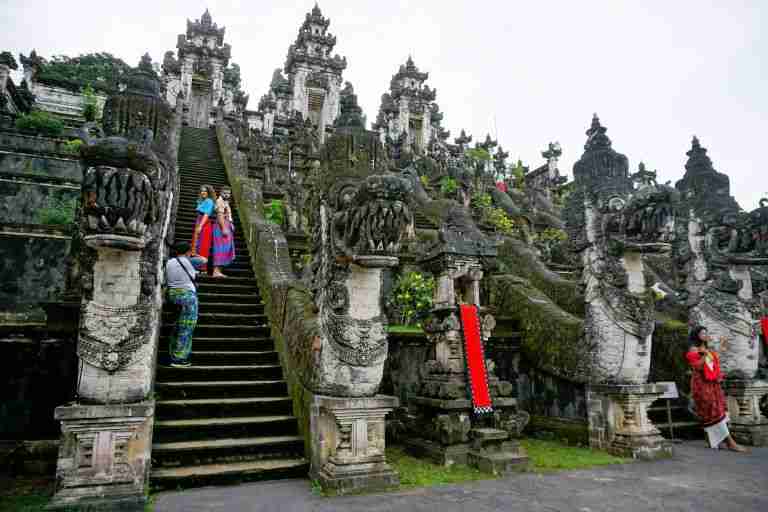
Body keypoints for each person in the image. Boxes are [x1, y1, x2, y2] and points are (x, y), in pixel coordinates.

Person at [685, 326, 746, 452]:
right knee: (712, 411)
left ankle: (712, 440)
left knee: (716, 410)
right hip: (701, 384)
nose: (705, 334)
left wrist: (722, 346)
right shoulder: (694, 349)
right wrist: (704, 355)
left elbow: (714, 361)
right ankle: (730, 442)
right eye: (702, 333)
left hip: (712, 383)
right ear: (696, 335)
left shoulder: (706, 348)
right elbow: (697, 367)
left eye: (706, 332)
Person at [165, 241, 205, 368]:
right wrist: (194, 254)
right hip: (187, 297)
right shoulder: (190, 261)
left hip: (172, 295)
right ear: (188, 251)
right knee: (187, 327)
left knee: (177, 326)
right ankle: (179, 358)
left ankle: (173, 354)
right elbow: (204, 260)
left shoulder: (169, 262)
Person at [210, 186, 235, 277]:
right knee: (220, 248)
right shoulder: (220, 201)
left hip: (225, 225)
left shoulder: (225, 202)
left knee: (225, 248)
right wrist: (224, 228)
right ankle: (216, 271)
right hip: (221, 226)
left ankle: (218, 270)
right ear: (220, 193)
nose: (227, 195)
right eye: (225, 193)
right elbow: (220, 215)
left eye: (228, 193)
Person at [190, 185, 216, 268]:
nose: (203, 192)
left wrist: (200, 226)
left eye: (205, 191)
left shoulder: (209, 201)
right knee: (196, 243)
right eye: (201, 191)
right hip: (199, 222)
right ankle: (196, 265)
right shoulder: (202, 201)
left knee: (202, 244)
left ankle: (202, 267)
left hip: (204, 224)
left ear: (208, 193)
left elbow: (206, 214)